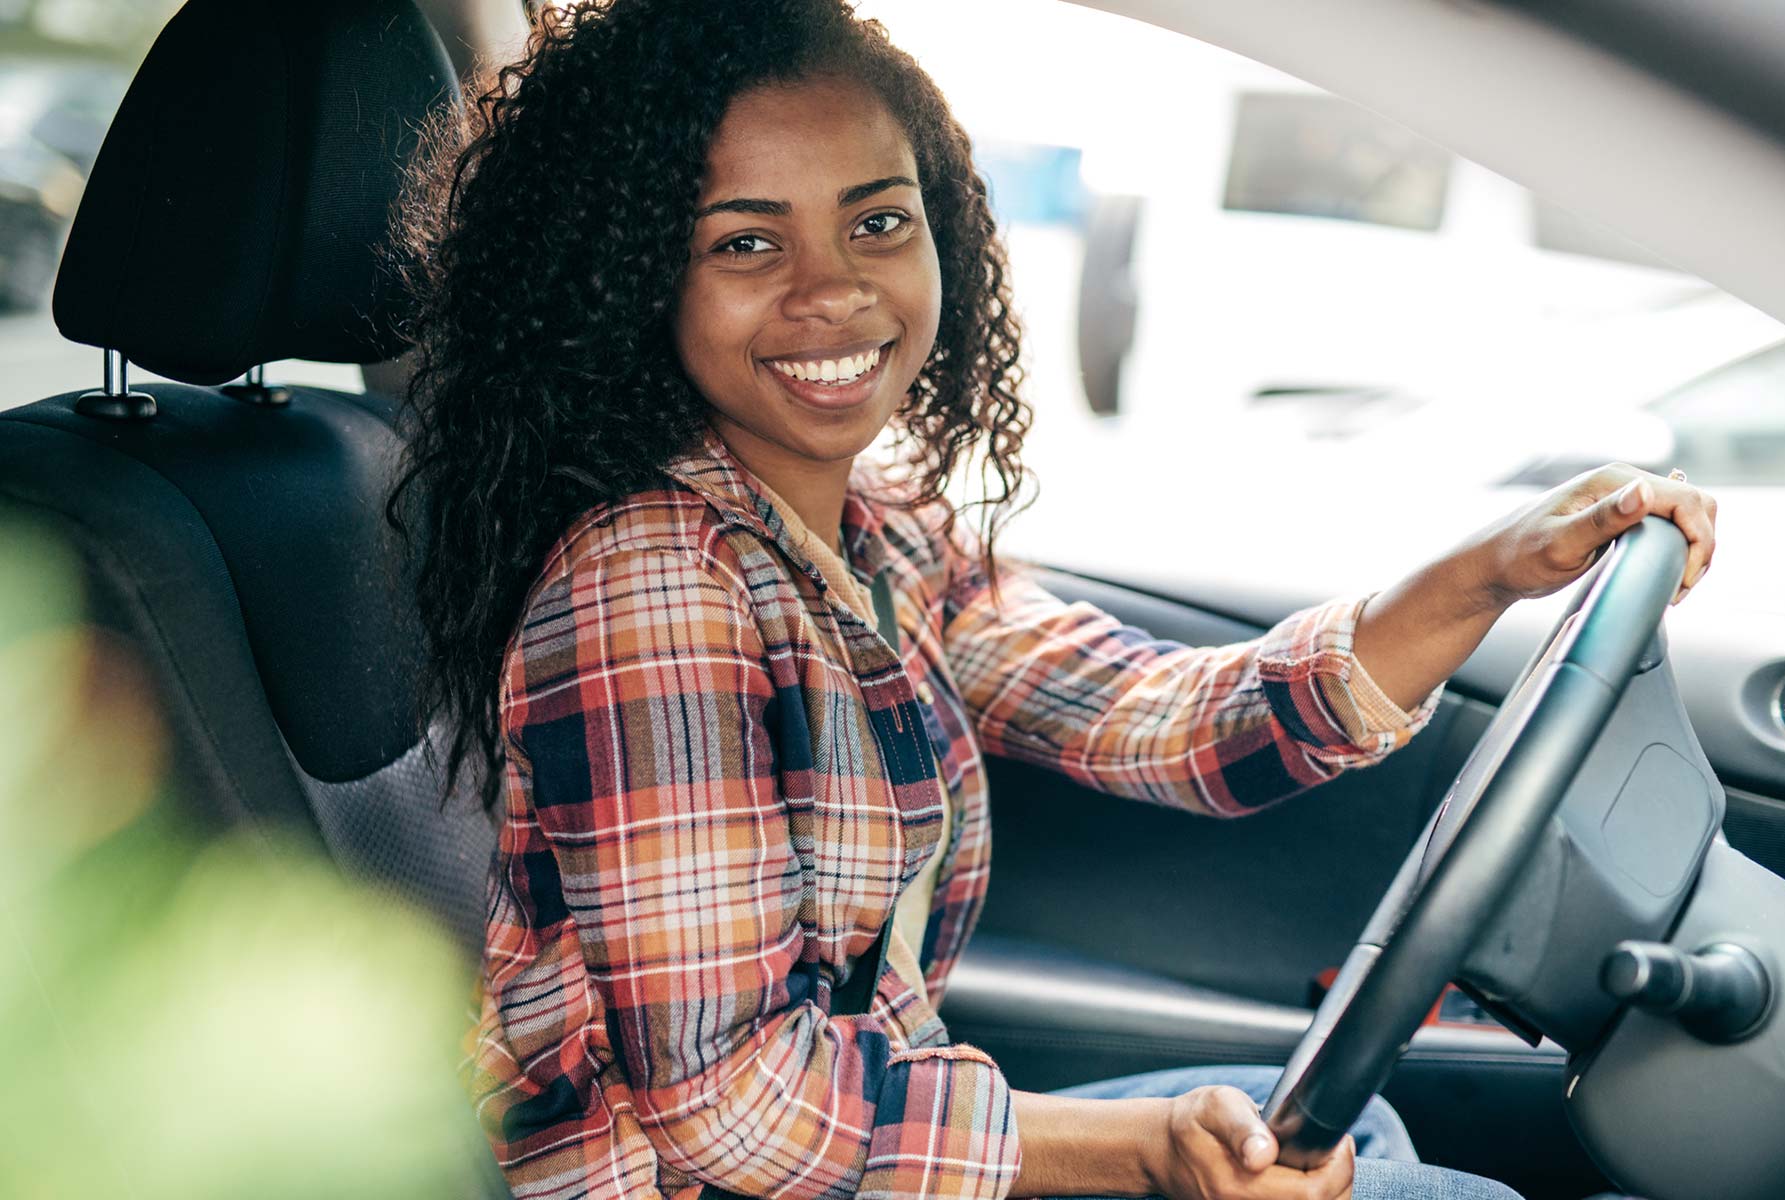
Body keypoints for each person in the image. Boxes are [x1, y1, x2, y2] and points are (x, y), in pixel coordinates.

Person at [387, 2, 1717, 1197]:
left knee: (1345, 1145)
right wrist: (1143, 1159)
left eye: (877, 219)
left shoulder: (872, 533)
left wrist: (1487, 572)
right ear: (634, 284)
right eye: (747, 241)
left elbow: (1164, 717)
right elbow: (729, 1111)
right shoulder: (654, 587)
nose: (834, 288)